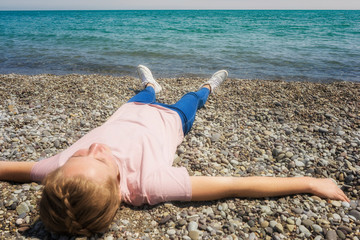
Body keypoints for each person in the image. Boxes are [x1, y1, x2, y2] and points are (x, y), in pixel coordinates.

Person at [0, 65, 350, 236]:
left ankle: (150, 83)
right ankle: (209, 85)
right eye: (100, 159)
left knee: (147, 93)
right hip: (171, 121)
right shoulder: (149, 185)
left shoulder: (57, 173)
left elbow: (7, 168)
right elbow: (235, 184)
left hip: (129, 110)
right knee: (192, 101)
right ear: (119, 186)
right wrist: (307, 181)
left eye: (80, 156)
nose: (93, 147)